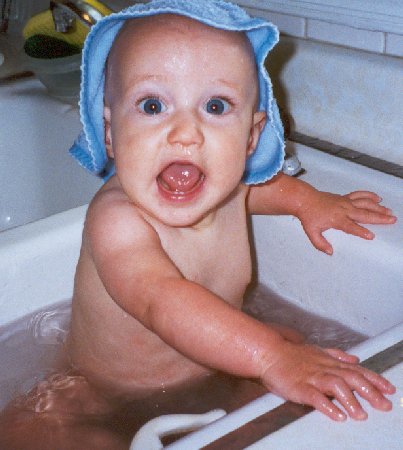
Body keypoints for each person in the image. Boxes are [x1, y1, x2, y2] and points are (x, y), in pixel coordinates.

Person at [0, 1, 397, 448]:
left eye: (215, 105)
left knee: (301, 351)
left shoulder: (229, 188)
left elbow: (261, 189)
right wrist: (268, 355)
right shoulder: (117, 221)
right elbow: (161, 301)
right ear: (110, 133)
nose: (185, 133)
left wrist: (311, 201)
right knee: (28, 431)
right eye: (153, 105)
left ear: (250, 136)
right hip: (97, 392)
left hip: (217, 363)